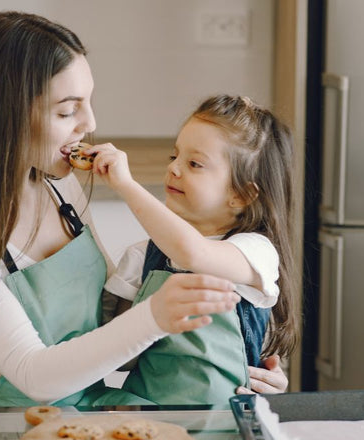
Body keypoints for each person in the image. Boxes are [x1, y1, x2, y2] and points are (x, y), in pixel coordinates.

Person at [0, 11, 241, 408]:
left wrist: (229, 362)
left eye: (88, 103)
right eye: (67, 110)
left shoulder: (63, 189)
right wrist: (152, 316)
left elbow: (106, 337)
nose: (90, 122)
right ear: (5, 114)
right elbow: (34, 375)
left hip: (90, 414)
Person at [89, 94, 300, 407]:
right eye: (174, 156)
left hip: (224, 424)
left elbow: (196, 255)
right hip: (150, 419)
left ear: (242, 195)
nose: (174, 169)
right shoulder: (141, 257)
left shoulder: (254, 251)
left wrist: (126, 186)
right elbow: (122, 359)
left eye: (194, 163)